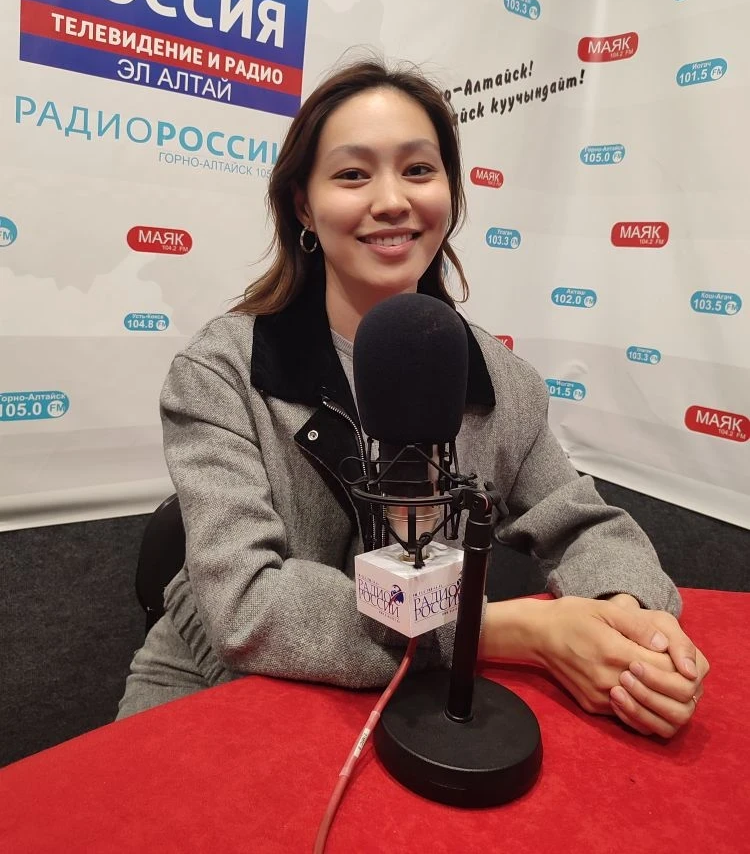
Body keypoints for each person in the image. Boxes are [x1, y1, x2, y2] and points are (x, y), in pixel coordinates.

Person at [117, 59, 708, 738]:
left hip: (413, 703)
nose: (392, 199)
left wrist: (627, 620)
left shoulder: (501, 379)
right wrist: (497, 630)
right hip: (220, 685)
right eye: (353, 174)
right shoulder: (220, 371)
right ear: (304, 205)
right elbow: (246, 607)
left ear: (449, 193)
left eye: (419, 170)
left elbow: (584, 525)